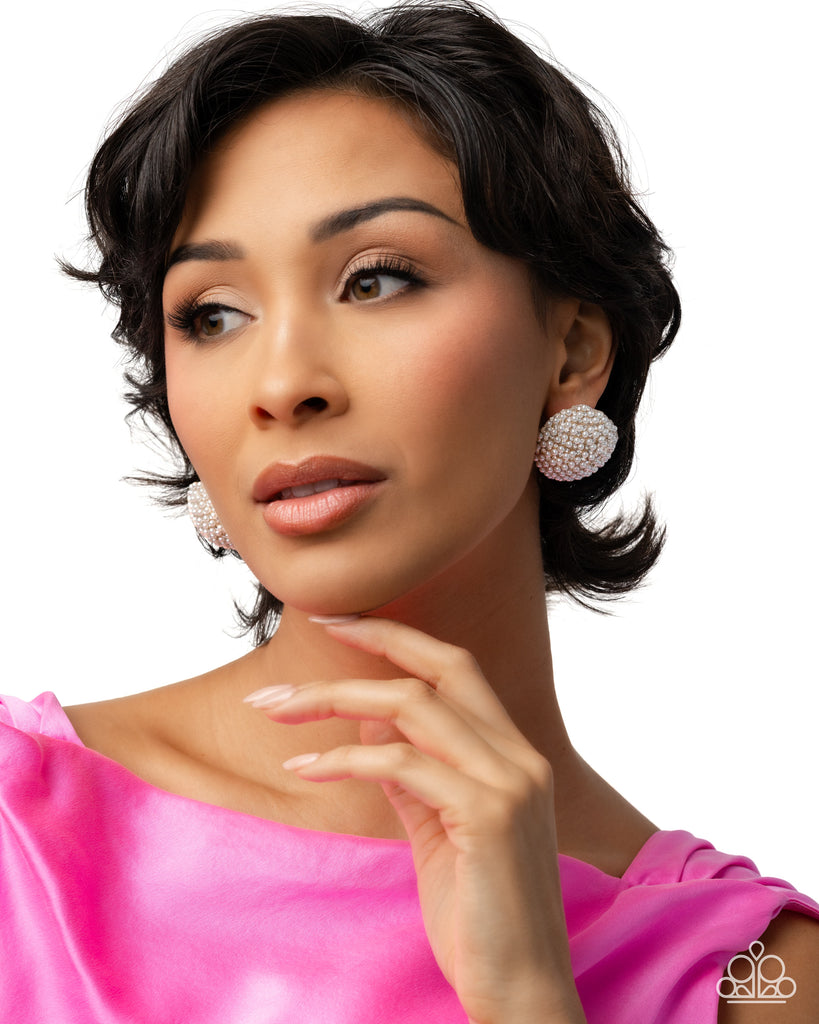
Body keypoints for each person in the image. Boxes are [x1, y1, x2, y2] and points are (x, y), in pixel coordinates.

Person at [1, 2, 816, 1022]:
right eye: (213, 314)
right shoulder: (19, 828)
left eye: (375, 281)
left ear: (571, 353)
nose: (282, 385)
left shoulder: (756, 977)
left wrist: (527, 995)